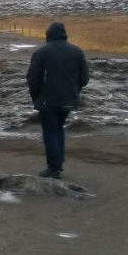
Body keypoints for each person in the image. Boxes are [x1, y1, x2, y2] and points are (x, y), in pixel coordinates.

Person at [26, 21, 89, 178]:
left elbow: (33, 79)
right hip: (68, 99)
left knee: (50, 132)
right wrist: (74, 91)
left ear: (49, 34)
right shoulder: (77, 51)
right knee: (58, 129)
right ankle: (58, 162)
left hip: (48, 101)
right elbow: (84, 78)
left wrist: (36, 96)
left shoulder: (41, 53)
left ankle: (54, 167)